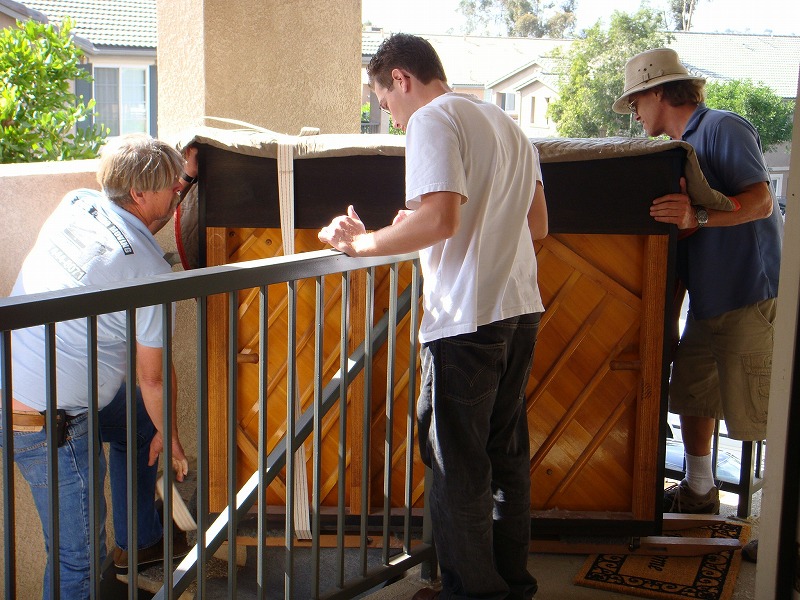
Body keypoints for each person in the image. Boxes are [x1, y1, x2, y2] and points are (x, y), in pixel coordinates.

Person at [318, 33, 548, 600]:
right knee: (504, 460)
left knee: (456, 467)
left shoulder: (431, 119)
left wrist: (361, 243)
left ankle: (471, 593)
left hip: (467, 319)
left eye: (385, 102)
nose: (392, 119)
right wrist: (413, 224)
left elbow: (442, 221)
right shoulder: (508, 125)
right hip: (519, 309)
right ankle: (512, 587)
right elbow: (536, 225)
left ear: (400, 79)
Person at [0, 133, 198, 598]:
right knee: (78, 559)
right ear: (138, 193)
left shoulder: (78, 203)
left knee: (140, 421)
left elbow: (130, 237)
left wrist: (185, 176)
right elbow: (152, 378)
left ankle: (140, 541)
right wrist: (171, 438)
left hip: (10, 378)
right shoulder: (149, 274)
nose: (178, 190)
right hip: (48, 426)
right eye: (171, 184)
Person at [612, 48, 782, 520]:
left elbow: (762, 202)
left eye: (636, 102)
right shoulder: (673, 151)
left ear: (659, 92)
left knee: (760, 411)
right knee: (692, 393)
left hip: (749, 294)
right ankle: (700, 492)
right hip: (707, 303)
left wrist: (698, 216)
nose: (634, 114)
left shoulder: (722, 127)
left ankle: (779, 528)